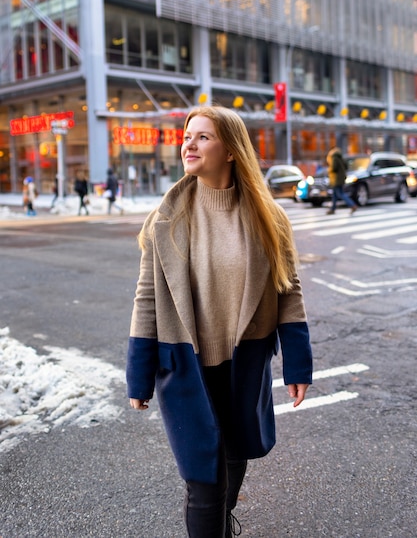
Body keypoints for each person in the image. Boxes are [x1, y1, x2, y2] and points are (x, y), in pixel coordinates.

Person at [126, 106, 313, 538]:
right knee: (204, 483)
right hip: (185, 365)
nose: (188, 143)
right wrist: (138, 376)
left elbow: (289, 289)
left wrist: (298, 364)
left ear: (230, 150)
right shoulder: (166, 220)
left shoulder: (268, 218)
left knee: (234, 453)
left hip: (243, 362)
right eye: (187, 135)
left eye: (202, 137)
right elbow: (147, 296)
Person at [326, 147, 357, 215]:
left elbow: (334, 168)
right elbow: (346, 166)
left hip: (336, 179)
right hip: (341, 178)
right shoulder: (341, 158)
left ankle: (352, 205)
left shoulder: (334, 158)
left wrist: (329, 170)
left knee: (340, 193)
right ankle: (332, 209)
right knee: (335, 194)